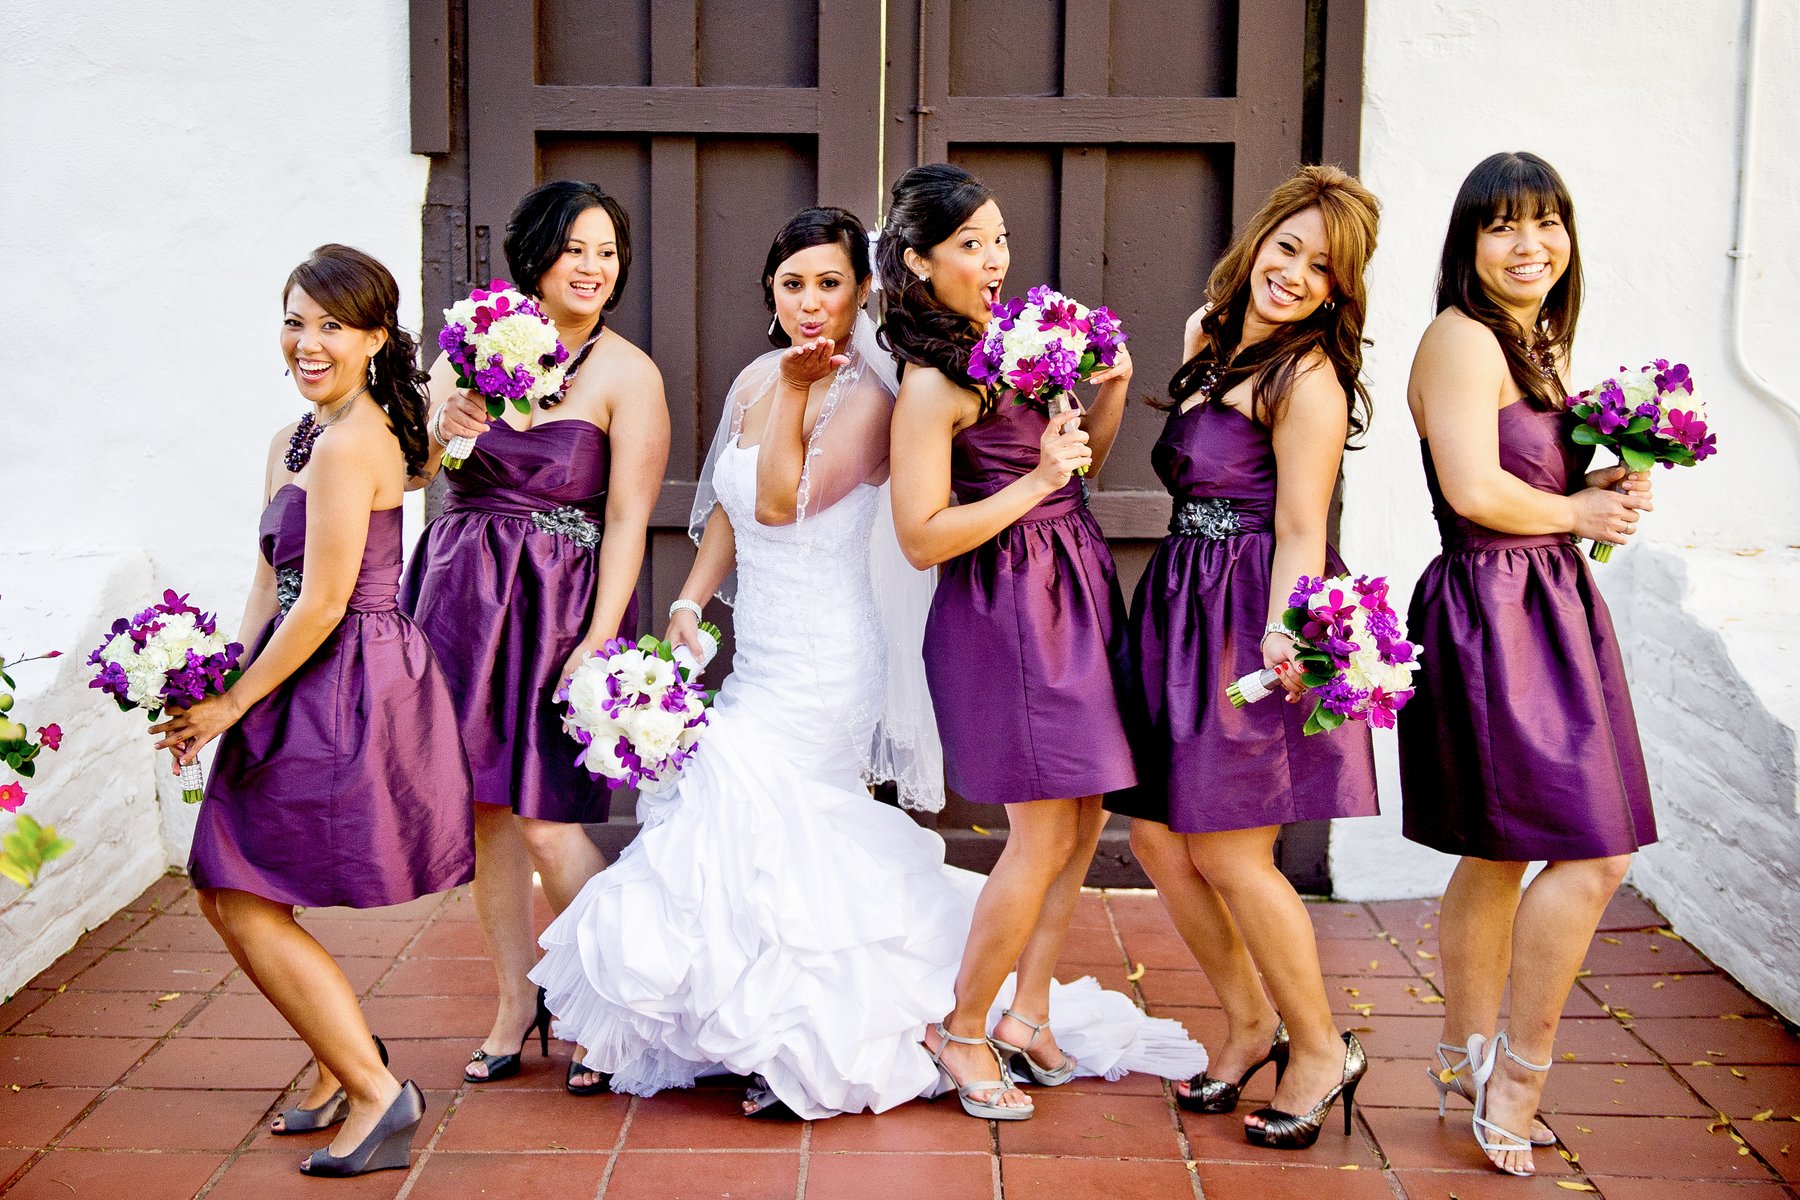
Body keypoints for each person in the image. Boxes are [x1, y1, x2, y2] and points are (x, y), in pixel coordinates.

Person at [532, 206, 1204, 1121]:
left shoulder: (872, 396)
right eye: (793, 285)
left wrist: (800, 398)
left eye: (830, 284)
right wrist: (688, 601)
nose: (811, 303)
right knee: (763, 835)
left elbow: (782, 502)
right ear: (770, 293)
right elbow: (731, 507)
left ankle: (829, 1030)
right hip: (762, 647)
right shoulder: (756, 377)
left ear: (863, 293)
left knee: (771, 810)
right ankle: (756, 1032)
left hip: (827, 656)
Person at [156, 245, 473, 1176]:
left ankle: (377, 1092)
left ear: (374, 339)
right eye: (295, 321)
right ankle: (343, 1063)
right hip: (288, 676)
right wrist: (214, 684)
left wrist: (235, 702)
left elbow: (325, 603)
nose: (308, 341)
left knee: (237, 887)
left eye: (333, 325)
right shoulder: (295, 439)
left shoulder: (348, 445)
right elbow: (270, 580)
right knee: (229, 886)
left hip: (344, 686)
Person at [1108, 165, 1383, 1150]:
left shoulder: (1308, 379)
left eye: (1323, 267)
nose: (1295, 274)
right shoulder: (1206, 336)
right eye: (1288, 248)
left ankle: (1321, 1049)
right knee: (1155, 837)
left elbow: (1304, 525)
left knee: (1229, 848)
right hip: (1179, 602)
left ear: (1340, 290)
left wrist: (1284, 633)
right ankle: (1250, 1023)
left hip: (1249, 616)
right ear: (1260, 240)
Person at [1399, 151, 1656, 1177]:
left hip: (1543, 601)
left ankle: (1463, 1055)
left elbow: (1528, 476)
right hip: (1495, 608)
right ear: (1468, 244)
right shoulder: (1462, 337)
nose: (1530, 244)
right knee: (1595, 854)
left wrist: (1606, 482)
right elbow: (1473, 489)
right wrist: (1576, 511)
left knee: (1502, 850)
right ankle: (1519, 1071)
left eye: (1547, 222)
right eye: (1502, 225)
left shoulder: (1532, 341)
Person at [883, 163, 1140, 1120]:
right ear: (919, 261)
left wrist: (1112, 388)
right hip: (1006, 610)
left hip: (1074, 582)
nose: (995, 259)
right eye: (971, 244)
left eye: (999, 239)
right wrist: (1032, 484)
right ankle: (961, 1028)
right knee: (1040, 831)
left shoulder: (1018, 343)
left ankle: (1028, 1013)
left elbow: (1079, 464)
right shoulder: (931, 384)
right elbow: (920, 537)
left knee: (1085, 817)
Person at [403, 180, 668, 1094]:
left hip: (560, 609)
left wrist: (600, 637)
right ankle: (518, 1002)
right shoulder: (465, 352)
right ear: (536, 257)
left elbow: (628, 519)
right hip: (463, 600)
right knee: (486, 813)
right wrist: (443, 430)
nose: (593, 268)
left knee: (549, 822)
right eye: (575, 250)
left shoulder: (628, 374)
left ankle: (603, 1005)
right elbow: (418, 474)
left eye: (607, 253)